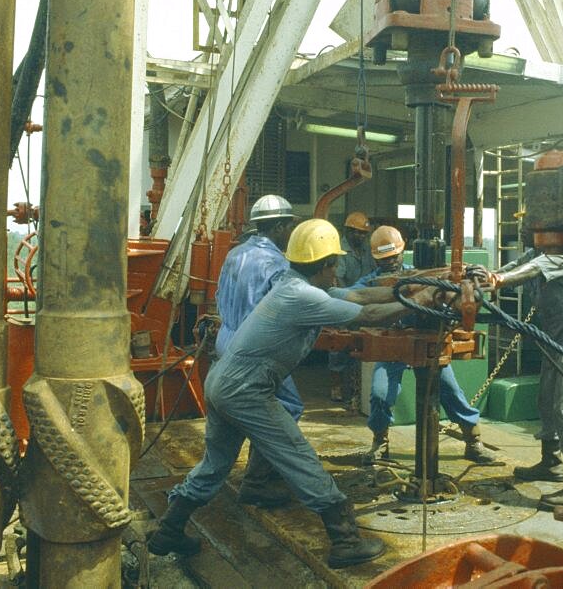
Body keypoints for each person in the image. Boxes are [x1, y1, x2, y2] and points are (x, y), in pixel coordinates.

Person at [148, 219, 438, 568]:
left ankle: (169, 530)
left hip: (222, 383)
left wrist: (406, 291)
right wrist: (419, 302)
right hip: (245, 392)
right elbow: (369, 313)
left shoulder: (295, 284)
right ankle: (345, 540)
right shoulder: (303, 298)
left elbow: (360, 294)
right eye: (334, 265)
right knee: (298, 457)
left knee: (215, 466)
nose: (337, 272)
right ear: (326, 265)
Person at [354, 226, 496, 466]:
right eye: (383, 259)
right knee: (379, 394)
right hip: (394, 346)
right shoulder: (371, 282)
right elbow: (354, 296)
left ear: (403, 251)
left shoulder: (423, 276)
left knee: (451, 393)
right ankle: (380, 441)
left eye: (393, 257)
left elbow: (451, 289)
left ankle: (473, 442)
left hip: (429, 344)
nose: (390, 263)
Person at [485, 226, 563, 510]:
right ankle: (550, 463)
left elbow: (529, 271)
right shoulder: (533, 253)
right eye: (523, 226)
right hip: (553, 334)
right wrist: (479, 275)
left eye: (530, 228)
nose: (523, 231)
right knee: (546, 401)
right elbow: (510, 269)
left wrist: (497, 279)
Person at [213, 194, 302, 509]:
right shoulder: (276, 263)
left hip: (225, 340)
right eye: (288, 226)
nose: (289, 232)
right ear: (278, 226)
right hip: (253, 350)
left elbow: (218, 294)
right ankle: (256, 481)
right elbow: (281, 310)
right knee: (287, 407)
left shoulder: (234, 254)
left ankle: (257, 471)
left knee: (236, 407)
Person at [328, 211, 377, 402]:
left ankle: (358, 389)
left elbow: (375, 274)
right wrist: (347, 300)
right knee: (339, 347)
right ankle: (336, 387)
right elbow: (337, 278)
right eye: (357, 232)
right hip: (343, 302)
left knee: (361, 346)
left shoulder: (367, 250)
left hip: (363, 303)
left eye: (364, 233)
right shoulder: (339, 250)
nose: (361, 236)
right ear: (347, 231)